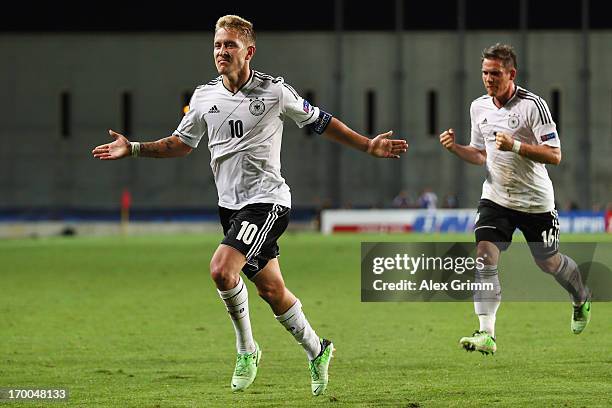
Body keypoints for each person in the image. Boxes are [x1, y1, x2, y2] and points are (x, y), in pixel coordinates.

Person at [92, 15, 408, 395]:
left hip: (268, 202)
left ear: (249, 51)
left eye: (229, 45)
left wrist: (366, 144)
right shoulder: (204, 96)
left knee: (222, 270)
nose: (221, 52)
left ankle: (247, 349)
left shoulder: (275, 91)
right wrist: (136, 148)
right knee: (272, 291)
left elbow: (322, 121)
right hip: (230, 208)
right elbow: (181, 143)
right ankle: (318, 349)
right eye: (217, 45)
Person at [438, 43, 591, 355]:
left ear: (511, 74)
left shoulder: (533, 106)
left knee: (549, 263)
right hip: (496, 199)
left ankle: (581, 296)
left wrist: (517, 147)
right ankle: (486, 333)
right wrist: (455, 148)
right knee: (484, 254)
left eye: (495, 73)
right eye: (485, 72)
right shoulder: (478, 107)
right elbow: (481, 154)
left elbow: (555, 155)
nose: (488, 79)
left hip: (536, 203)